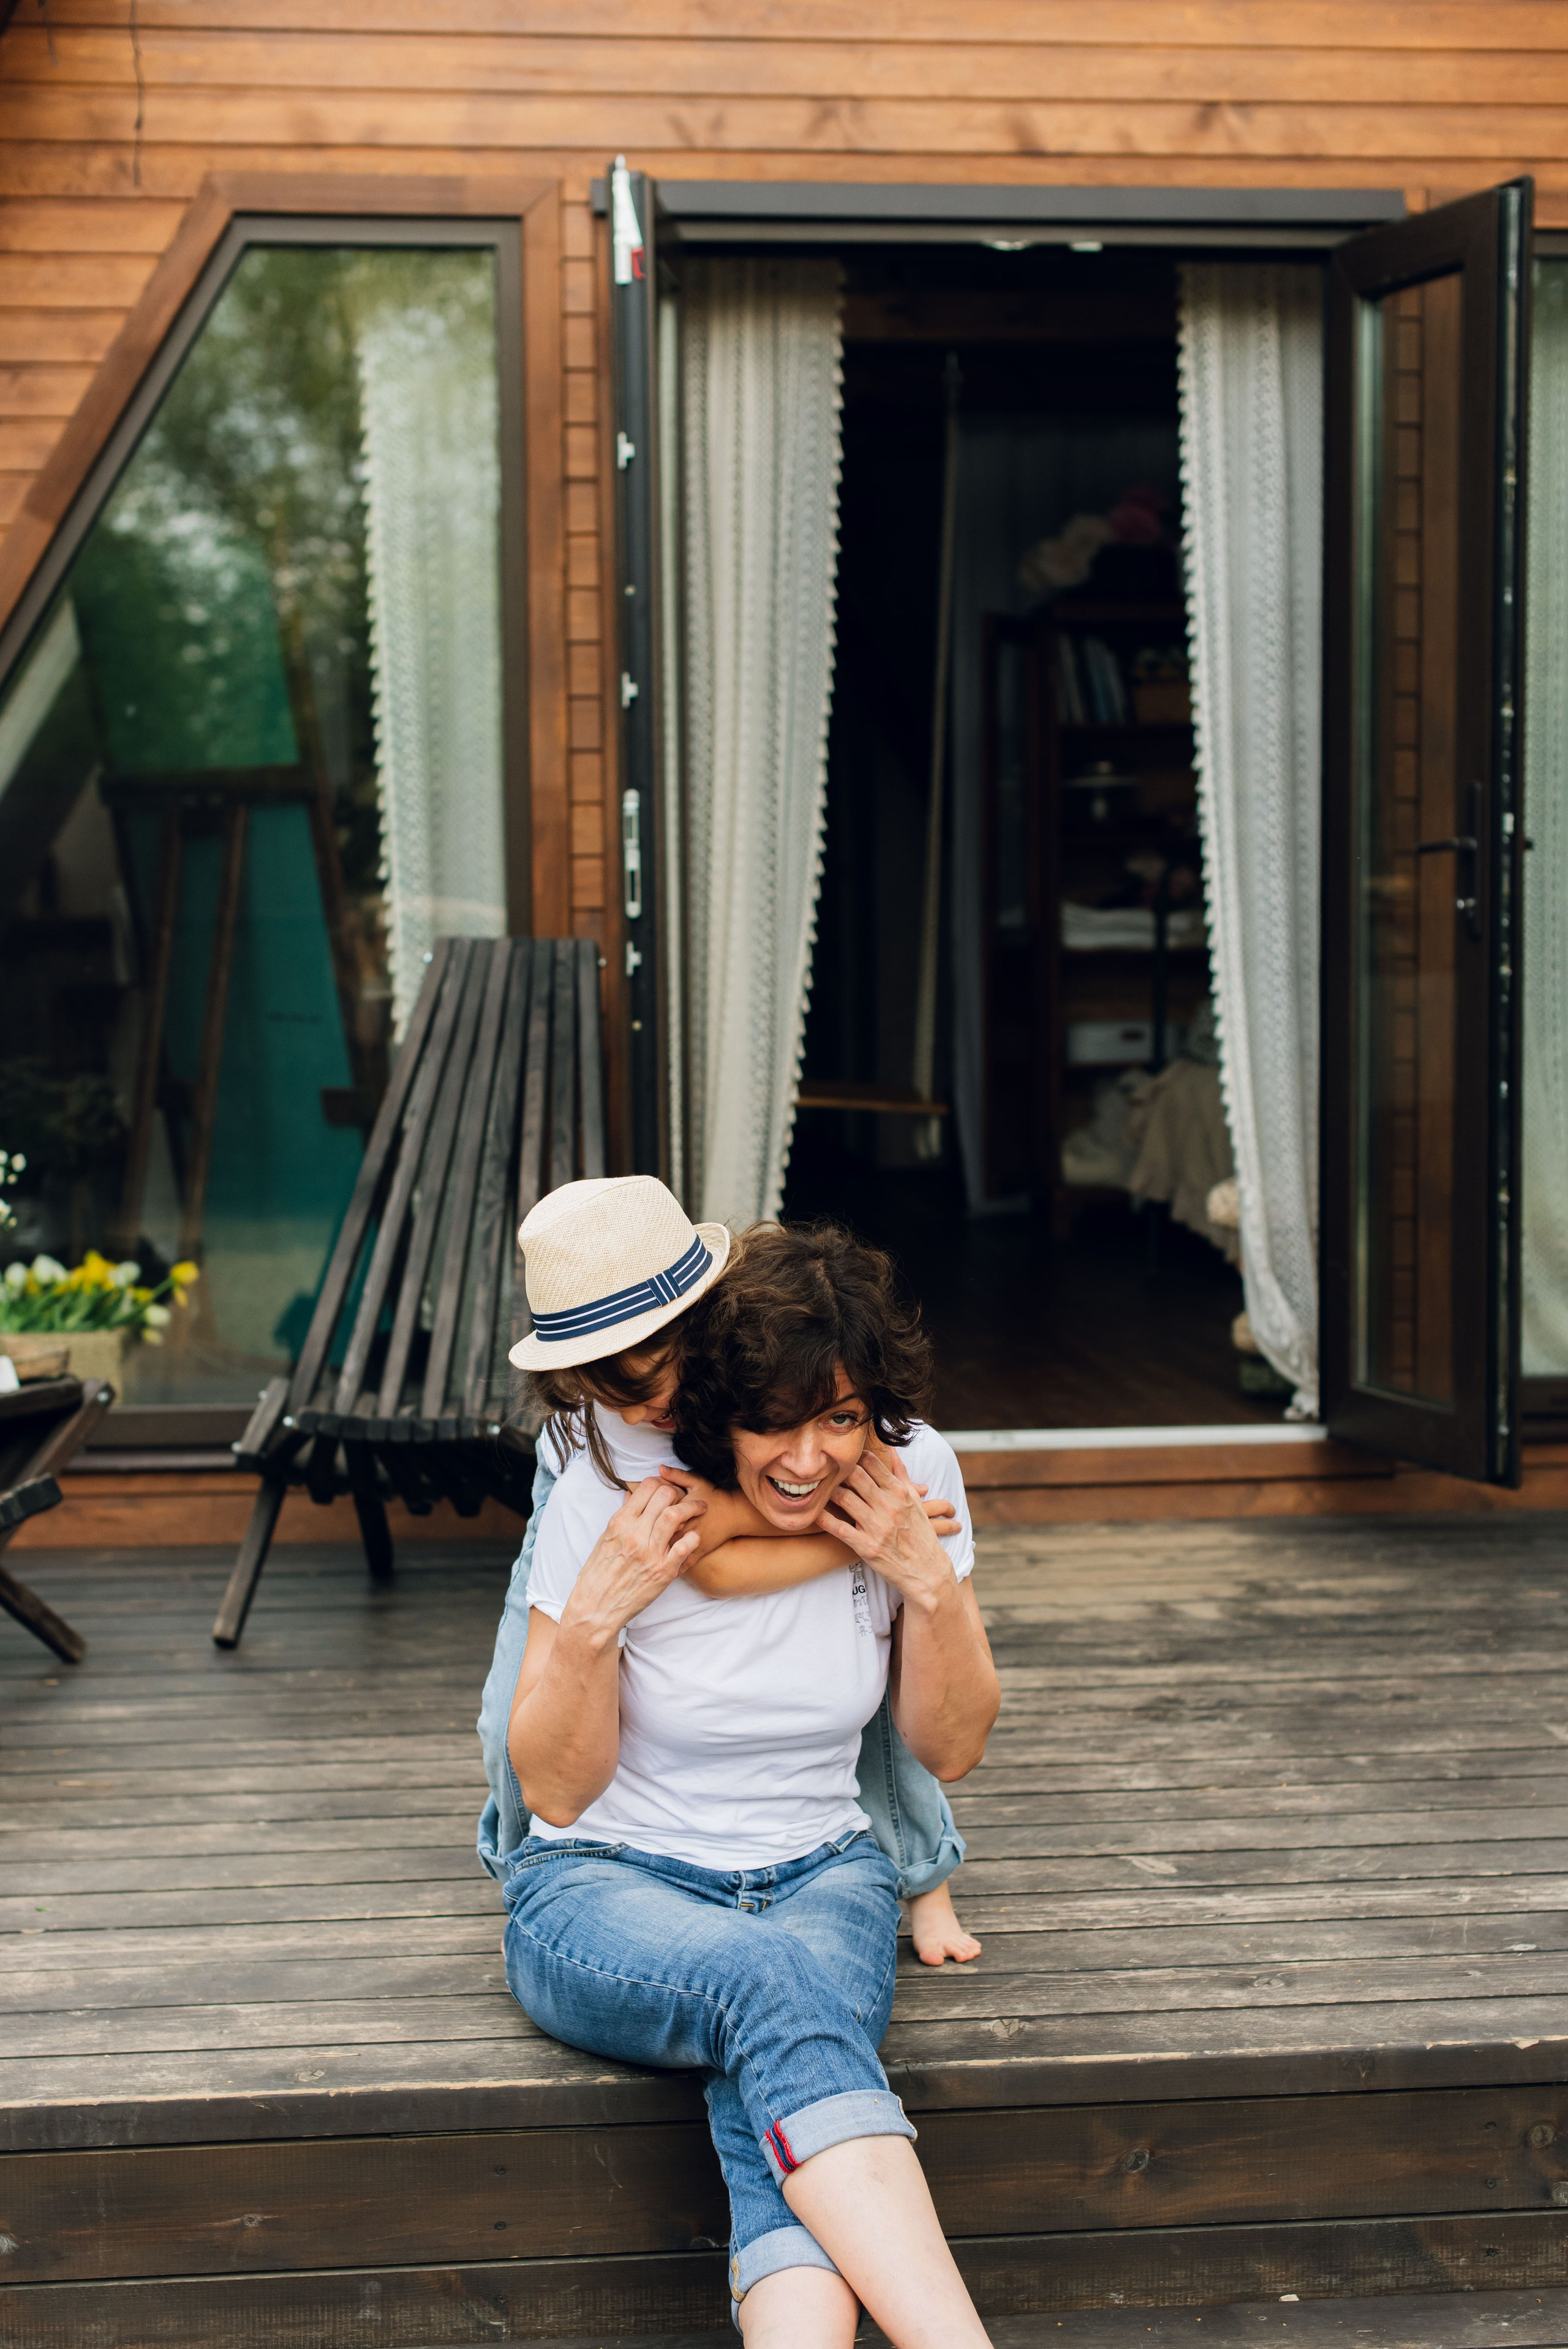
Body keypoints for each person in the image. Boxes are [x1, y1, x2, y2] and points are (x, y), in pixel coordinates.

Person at [500, 1201, 1001, 2347]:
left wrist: (931, 1583)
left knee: (770, 2076)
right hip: (601, 1884)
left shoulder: (913, 1479)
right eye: (775, 1422)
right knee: (776, 1989)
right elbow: (557, 1795)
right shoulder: (610, 1490)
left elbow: (952, 1747)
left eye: (841, 1419)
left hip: (825, 1870)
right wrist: (590, 1627)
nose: (812, 1455)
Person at [475, 1177, 981, 1966]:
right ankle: (536, 1869)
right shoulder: (609, 1452)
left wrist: (887, 1546)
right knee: (515, 1707)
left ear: (708, 1315)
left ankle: (923, 1871)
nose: (655, 1406)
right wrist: (847, 1538)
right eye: (618, 1387)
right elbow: (706, 1567)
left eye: (665, 1368)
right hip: (602, 1505)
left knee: (882, 1687)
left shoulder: (755, 1367)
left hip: (747, 1527)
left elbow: (850, 1452)